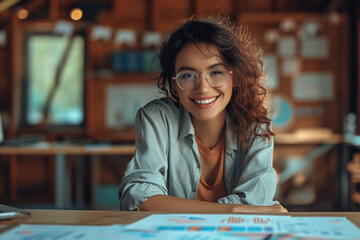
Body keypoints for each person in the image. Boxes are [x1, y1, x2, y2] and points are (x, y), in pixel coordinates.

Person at [119, 15, 287, 213]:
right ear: (174, 82)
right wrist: (233, 210)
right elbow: (139, 197)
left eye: (216, 72)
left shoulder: (256, 124)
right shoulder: (156, 118)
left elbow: (257, 199)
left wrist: (165, 204)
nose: (203, 89)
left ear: (234, 78)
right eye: (188, 75)